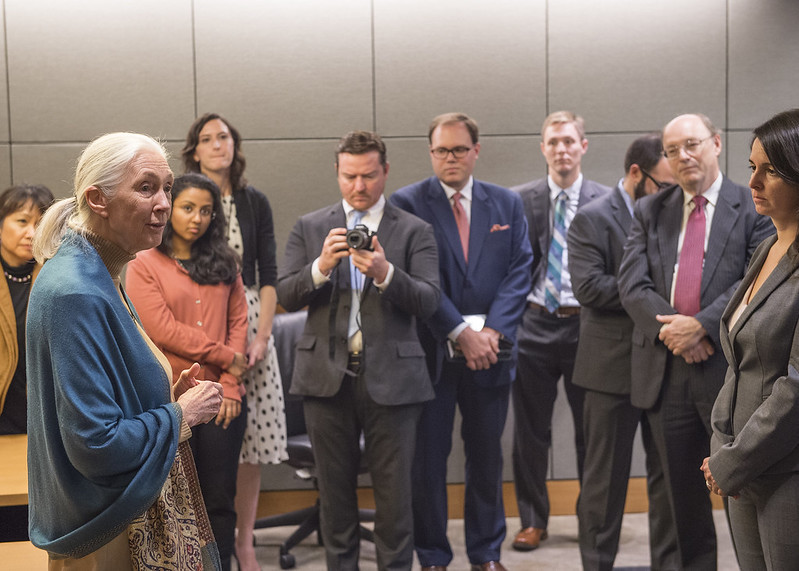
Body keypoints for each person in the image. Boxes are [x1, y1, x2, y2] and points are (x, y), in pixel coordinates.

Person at [26, 132, 224, 569]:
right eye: (146, 188)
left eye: (167, 187)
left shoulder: (100, 270)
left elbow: (107, 398)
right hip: (105, 532)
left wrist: (163, 396)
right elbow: (96, 445)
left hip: (115, 520)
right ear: (98, 199)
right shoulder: (76, 290)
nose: (164, 203)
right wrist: (182, 415)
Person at [277, 130, 439, 570]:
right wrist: (321, 267)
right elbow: (285, 295)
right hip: (325, 378)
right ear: (337, 172)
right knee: (335, 500)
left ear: (385, 171)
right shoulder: (311, 227)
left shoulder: (415, 230)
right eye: (350, 176)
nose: (360, 186)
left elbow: (429, 301)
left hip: (395, 379)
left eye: (369, 175)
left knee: (395, 500)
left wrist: (387, 273)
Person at [618, 113, 774, 570]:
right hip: (667, 372)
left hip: (730, 371)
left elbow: (756, 278)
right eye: (672, 150)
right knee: (678, 500)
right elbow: (632, 285)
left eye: (692, 144)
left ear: (716, 143)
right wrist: (677, 333)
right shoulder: (651, 210)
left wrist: (702, 326)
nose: (682, 156)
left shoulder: (753, 203)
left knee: (744, 492)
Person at [390, 113, 533, 571]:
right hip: (431, 351)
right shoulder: (407, 203)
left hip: (492, 353)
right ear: (430, 152)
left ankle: (486, 553)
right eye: (441, 150)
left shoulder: (506, 203)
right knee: (428, 462)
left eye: (458, 149)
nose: (449, 158)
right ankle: (433, 556)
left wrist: (491, 333)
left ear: (476, 150)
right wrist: (460, 332)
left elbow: (520, 270)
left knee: (487, 458)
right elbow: (414, 279)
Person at [126, 172, 249, 571]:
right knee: (175, 501)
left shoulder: (227, 262)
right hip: (168, 399)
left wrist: (231, 384)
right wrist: (225, 356)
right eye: (188, 208)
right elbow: (161, 329)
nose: (197, 218)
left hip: (222, 399)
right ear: (168, 207)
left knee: (220, 498)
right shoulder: (144, 262)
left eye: (206, 211)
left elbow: (239, 324)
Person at [182, 112, 287, 571]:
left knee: (252, 443)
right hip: (203, 323)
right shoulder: (184, 198)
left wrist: (262, 337)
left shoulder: (253, 199)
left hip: (252, 324)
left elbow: (269, 273)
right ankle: (205, 544)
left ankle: (245, 542)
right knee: (210, 438)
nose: (217, 144)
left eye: (223, 136)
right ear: (195, 151)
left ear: (234, 144)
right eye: (207, 138)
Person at [568, 134, 678, 570]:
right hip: (610, 368)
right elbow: (589, 287)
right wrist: (649, 293)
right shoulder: (592, 218)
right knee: (603, 483)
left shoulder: (677, 214)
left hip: (666, 362)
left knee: (669, 481)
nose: (672, 195)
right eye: (664, 186)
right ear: (636, 174)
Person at [702, 108, 799, 570]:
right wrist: (722, 444)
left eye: (771, 171)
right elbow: (739, 362)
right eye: (752, 167)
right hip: (741, 463)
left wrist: (735, 460)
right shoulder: (766, 248)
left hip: (787, 469)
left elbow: (795, 388)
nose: (754, 182)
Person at [509, 110, 610, 551]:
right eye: (553, 142)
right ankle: (533, 520)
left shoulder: (608, 200)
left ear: (583, 146)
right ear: (543, 148)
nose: (561, 149)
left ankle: (592, 518)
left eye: (569, 141)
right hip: (532, 324)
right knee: (529, 433)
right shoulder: (518, 200)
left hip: (587, 326)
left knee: (591, 432)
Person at [0, 183, 53, 542]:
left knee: (34, 518)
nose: (31, 233)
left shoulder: (54, 273)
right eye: (21, 221)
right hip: (3, 413)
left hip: (41, 414)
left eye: (40, 223)